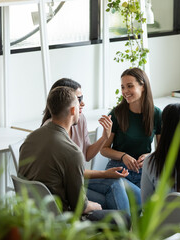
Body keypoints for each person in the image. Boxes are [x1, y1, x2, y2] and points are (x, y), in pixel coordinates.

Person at [41, 78, 132, 214]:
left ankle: (124, 229)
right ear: (66, 102)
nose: (83, 103)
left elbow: (87, 155)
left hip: (79, 180)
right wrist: (105, 174)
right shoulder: (52, 129)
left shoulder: (80, 118)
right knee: (111, 193)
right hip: (66, 186)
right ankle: (124, 229)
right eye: (79, 99)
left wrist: (104, 137)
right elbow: (70, 174)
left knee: (116, 185)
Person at [19, 86, 101, 215]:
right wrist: (97, 206)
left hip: (31, 215)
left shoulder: (30, 139)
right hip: (59, 220)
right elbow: (80, 207)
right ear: (73, 110)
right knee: (122, 217)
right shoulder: (72, 152)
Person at [101, 67, 162, 206]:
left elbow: (163, 150)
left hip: (144, 170)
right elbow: (104, 149)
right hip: (119, 170)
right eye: (123, 87)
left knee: (151, 204)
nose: (125, 92)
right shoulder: (117, 113)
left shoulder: (156, 114)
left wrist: (149, 156)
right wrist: (123, 156)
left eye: (130, 86)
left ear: (143, 87)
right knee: (136, 203)